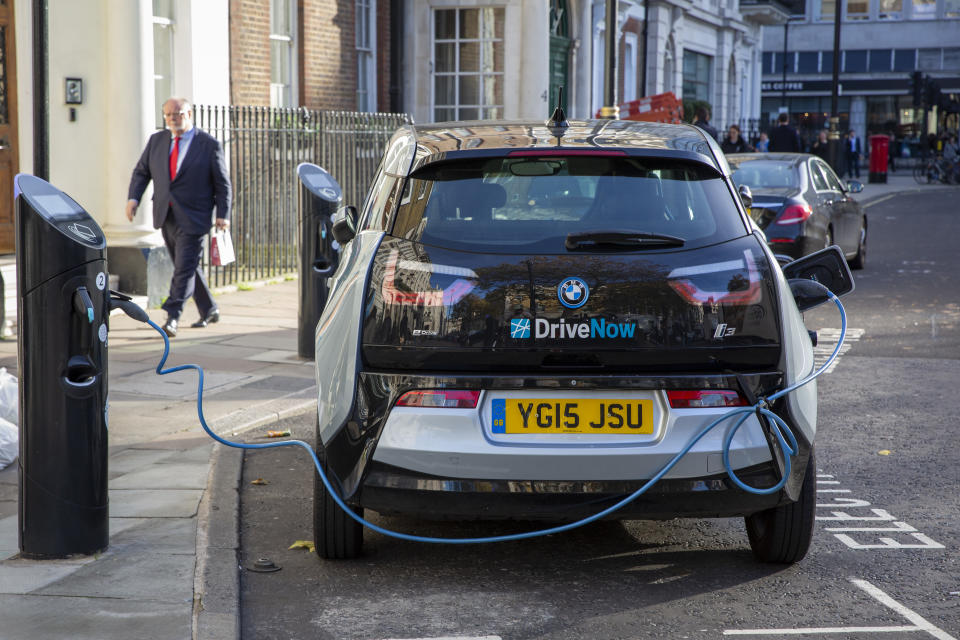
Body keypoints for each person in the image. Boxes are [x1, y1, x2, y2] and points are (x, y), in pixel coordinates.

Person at [126, 97, 232, 338]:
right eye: (168, 115)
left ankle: (172, 315)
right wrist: (133, 198)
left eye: (178, 114)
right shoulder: (157, 141)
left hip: (196, 217)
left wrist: (223, 214)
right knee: (187, 266)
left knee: (183, 268)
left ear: (190, 114)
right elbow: (142, 172)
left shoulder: (208, 144)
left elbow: (222, 184)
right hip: (166, 214)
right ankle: (210, 309)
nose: (173, 118)